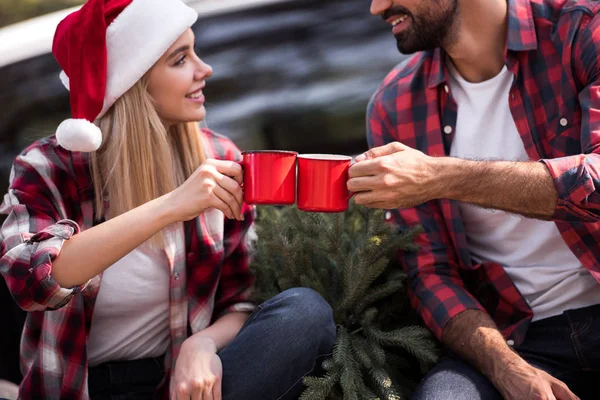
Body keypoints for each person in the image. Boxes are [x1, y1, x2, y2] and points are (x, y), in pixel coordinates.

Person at [0, 0, 335, 399]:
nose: (204, 69)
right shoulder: (49, 166)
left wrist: (204, 344)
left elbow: (243, 297)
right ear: (134, 83)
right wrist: (172, 205)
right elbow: (32, 281)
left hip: (179, 387)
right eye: (180, 59)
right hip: (81, 390)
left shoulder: (220, 159)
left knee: (304, 313)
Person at [347, 0, 600, 399]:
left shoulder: (581, 29)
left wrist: (441, 176)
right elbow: (430, 272)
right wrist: (508, 368)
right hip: (517, 338)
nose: (377, 7)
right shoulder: (393, 105)